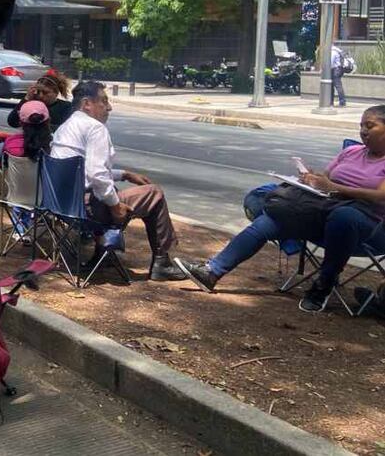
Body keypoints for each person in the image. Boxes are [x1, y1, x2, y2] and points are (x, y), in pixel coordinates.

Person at [176, 105, 385, 312]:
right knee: (274, 211)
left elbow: (381, 196)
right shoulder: (351, 151)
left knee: (344, 216)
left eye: (370, 126)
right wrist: (311, 178)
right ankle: (212, 271)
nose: (363, 131)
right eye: (361, 126)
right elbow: (326, 179)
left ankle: (324, 284)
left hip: (368, 226)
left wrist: (335, 188)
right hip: (325, 210)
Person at [49, 81, 186, 281]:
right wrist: (114, 206)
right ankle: (161, 262)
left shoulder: (66, 126)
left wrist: (125, 174)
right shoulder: (95, 128)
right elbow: (96, 175)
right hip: (86, 210)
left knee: (111, 189)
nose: (109, 107)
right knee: (154, 193)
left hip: (62, 206)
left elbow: (82, 169)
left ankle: (103, 253)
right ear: (87, 104)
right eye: (104, 101)